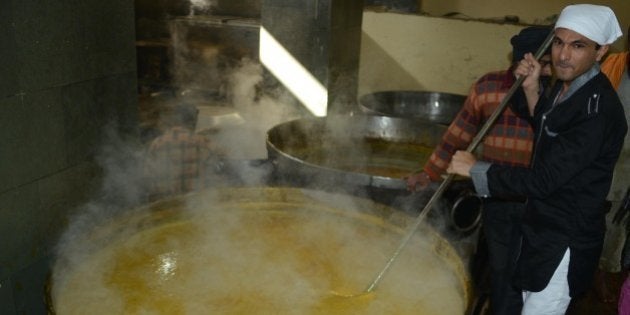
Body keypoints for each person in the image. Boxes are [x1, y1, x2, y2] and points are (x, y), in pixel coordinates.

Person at [447, 4, 627, 314]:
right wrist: (531, 90)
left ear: (601, 51)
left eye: (578, 45)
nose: (563, 55)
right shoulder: (570, 89)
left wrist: (477, 170)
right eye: (559, 42)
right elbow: (549, 128)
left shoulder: (597, 111)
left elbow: (543, 179)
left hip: (563, 241)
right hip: (542, 229)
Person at [405, 26, 553, 314]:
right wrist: (429, 173)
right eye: (543, 63)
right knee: (502, 272)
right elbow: (457, 135)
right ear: (522, 60)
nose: (547, 71)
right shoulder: (488, 87)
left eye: (549, 64)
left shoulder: (554, 96)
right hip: (496, 196)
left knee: (534, 274)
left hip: (536, 200)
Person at [595, 25, 630, 305]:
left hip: (627, 176)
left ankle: (608, 284)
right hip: (600, 166)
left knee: (617, 236)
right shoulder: (611, 66)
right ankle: (594, 283)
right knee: (592, 227)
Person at [143, 102, 220, 201]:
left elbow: (148, 178)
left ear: (175, 120)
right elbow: (222, 162)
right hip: (196, 206)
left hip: (165, 206)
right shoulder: (203, 142)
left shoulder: (157, 143)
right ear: (194, 120)